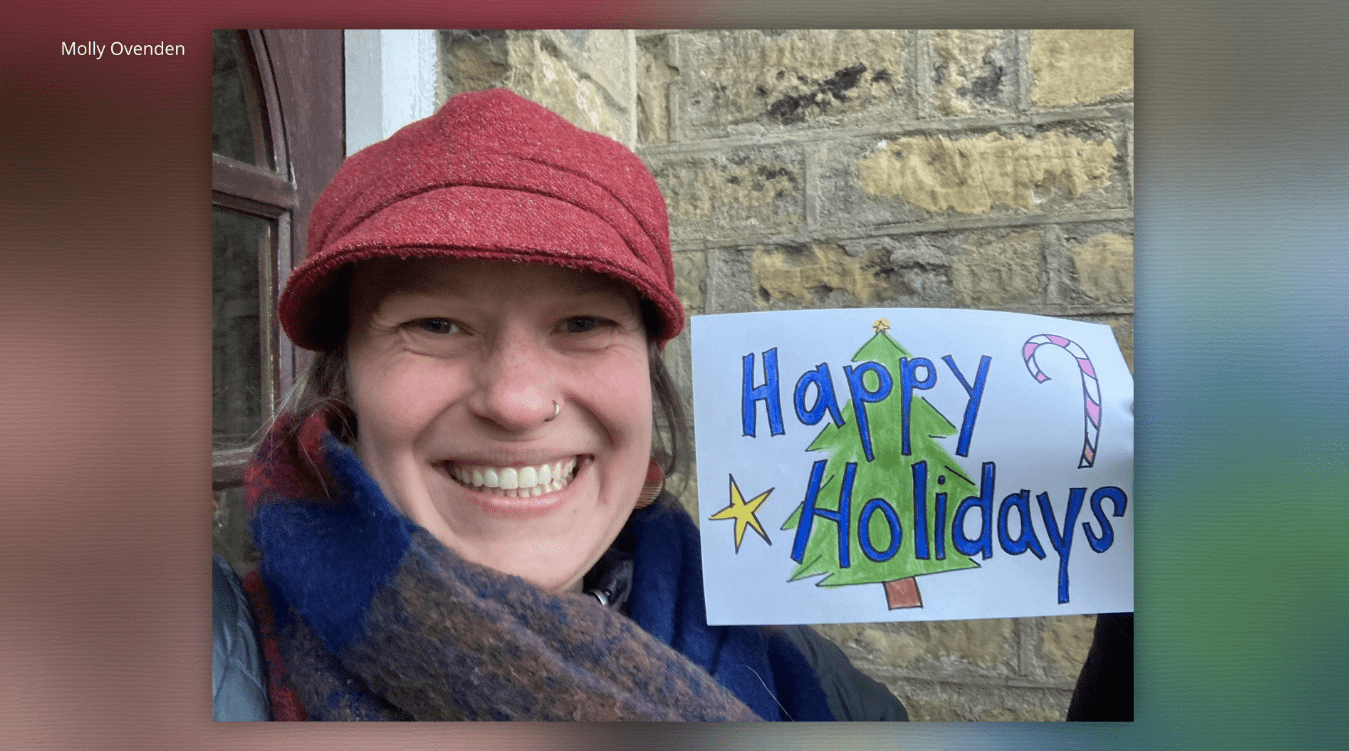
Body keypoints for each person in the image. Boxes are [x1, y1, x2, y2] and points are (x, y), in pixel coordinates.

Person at [215, 88, 906, 721]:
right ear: (344, 394)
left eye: (582, 325)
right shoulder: (216, 669)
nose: (516, 402)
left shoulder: (798, 675)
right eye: (435, 325)